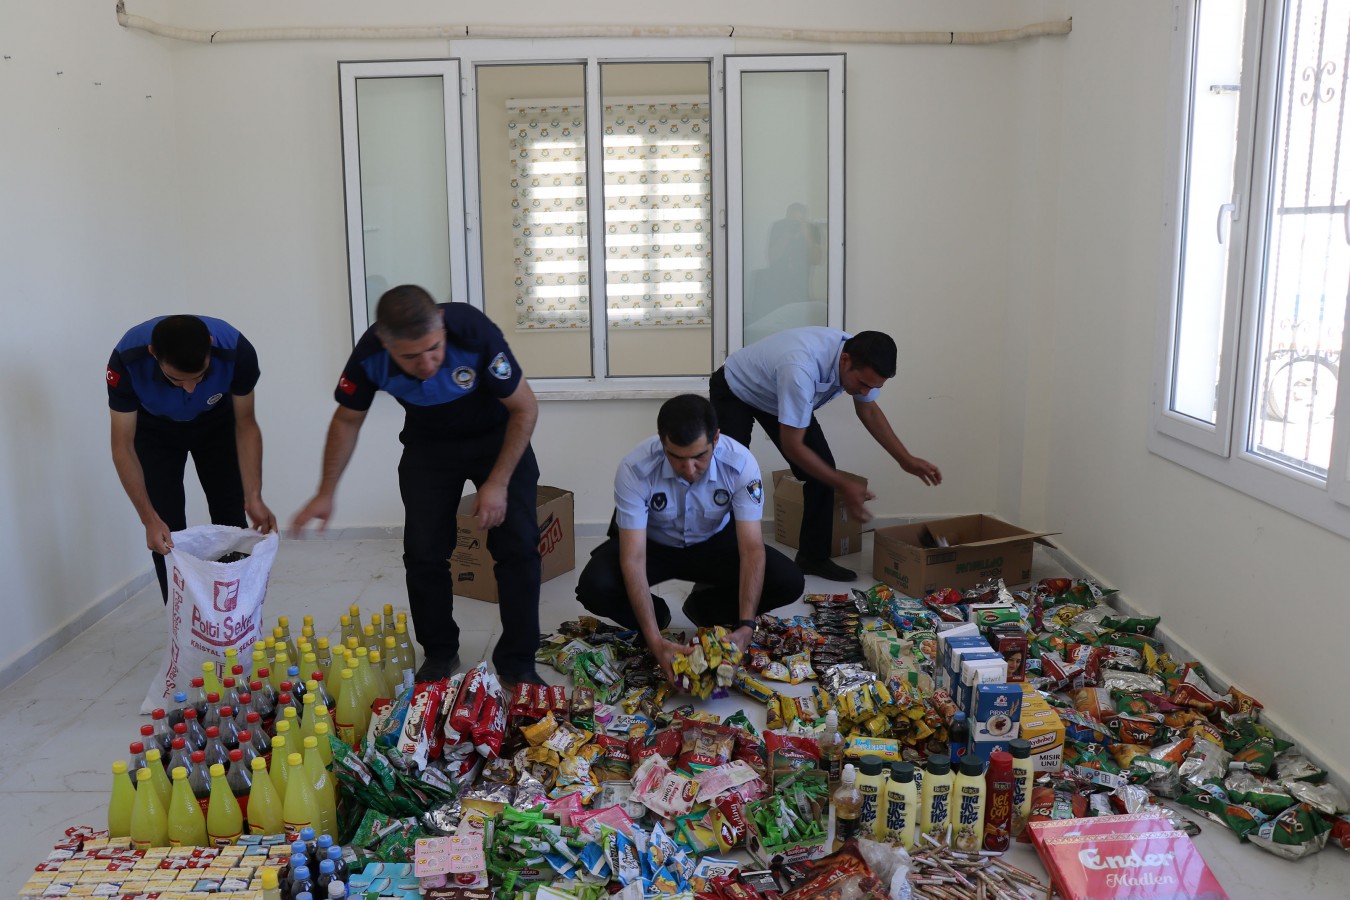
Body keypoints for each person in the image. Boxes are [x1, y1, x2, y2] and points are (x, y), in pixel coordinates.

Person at [290, 285, 545, 689]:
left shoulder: (472, 331)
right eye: (411, 357)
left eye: (434, 349)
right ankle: (440, 651)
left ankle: (517, 663)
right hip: (429, 444)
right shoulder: (369, 356)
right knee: (424, 553)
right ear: (387, 343)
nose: (427, 363)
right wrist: (326, 491)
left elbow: (525, 408)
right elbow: (346, 420)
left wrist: (497, 482)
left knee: (518, 548)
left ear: (441, 327)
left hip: (497, 437)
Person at [575, 394, 804, 684]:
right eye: (677, 458)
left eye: (699, 456)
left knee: (788, 580)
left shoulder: (740, 464)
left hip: (714, 544)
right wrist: (654, 639)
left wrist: (746, 625)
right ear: (662, 442)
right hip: (654, 546)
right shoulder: (635, 467)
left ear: (716, 439)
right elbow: (633, 558)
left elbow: (751, 550)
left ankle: (705, 609)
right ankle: (658, 616)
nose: (689, 469)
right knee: (594, 587)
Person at [709, 327, 942, 582]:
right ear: (845, 361)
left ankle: (813, 557)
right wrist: (844, 484)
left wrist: (906, 459)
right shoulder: (800, 368)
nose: (866, 392)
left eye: (874, 387)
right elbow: (793, 446)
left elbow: (868, 410)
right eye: (863, 384)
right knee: (732, 472)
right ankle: (722, 559)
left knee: (822, 471)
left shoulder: (862, 360)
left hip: (775, 393)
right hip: (736, 388)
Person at [107, 315, 276, 602]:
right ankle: (181, 618)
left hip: (217, 423)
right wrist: (149, 519)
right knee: (165, 532)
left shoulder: (236, 351)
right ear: (153, 354)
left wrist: (255, 496)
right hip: (154, 430)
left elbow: (246, 425)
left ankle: (232, 614)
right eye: (176, 380)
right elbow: (122, 445)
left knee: (231, 518)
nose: (190, 388)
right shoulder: (127, 360)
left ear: (210, 345)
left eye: (200, 377)